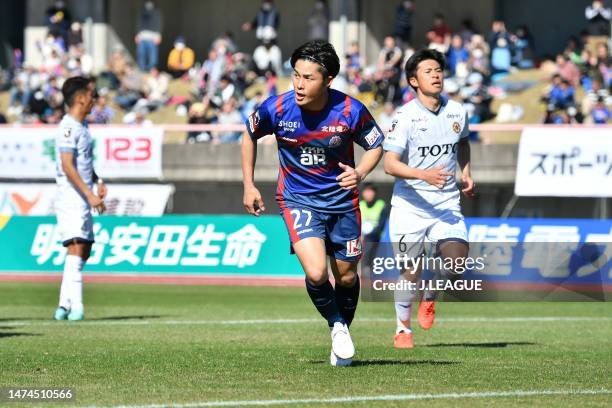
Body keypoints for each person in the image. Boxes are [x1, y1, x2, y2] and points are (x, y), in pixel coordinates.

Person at [241, 40, 384, 366]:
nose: (300, 84)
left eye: (309, 78)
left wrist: (360, 172)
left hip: (343, 203)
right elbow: (248, 134)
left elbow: (376, 145)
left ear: (329, 79)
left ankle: (341, 330)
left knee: (346, 277)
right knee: (317, 271)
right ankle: (336, 325)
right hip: (298, 200)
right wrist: (249, 185)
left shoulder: (350, 110)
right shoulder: (277, 108)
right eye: (296, 76)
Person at [382, 49, 474, 349]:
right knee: (410, 271)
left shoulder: (458, 111)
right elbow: (390, 164)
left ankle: (431, 296)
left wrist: (466, 173)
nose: (436, 75)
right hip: (409, 207)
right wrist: (423, 175)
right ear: (413, 81)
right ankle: (402, 329)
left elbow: (462, 143)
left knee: (457, 262)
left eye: (438, 70)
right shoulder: (405, 117)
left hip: (446, 203)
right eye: (428, 71)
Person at [53, 77, 107, 321]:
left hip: (83, 196)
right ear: (79, 98)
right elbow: (67, 165)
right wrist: (88, 194)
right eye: (91, 94)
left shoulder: (83, 126)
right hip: (71, 196)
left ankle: (64, 304)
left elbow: (84, 163)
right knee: (76, 245)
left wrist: (97, 181)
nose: (94, 100)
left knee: (84, 248)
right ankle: (77, 306)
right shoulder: (68, 127)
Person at [135, 1, 162, 72]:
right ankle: (142, 70)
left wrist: (158, 35)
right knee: (141, 55)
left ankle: (151, 70)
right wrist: (137, 34)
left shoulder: (156, 12)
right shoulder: (142, 12)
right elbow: (138, 23)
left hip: (153, 37)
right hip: (142, 36)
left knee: (153, 57)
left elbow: (159, 23)